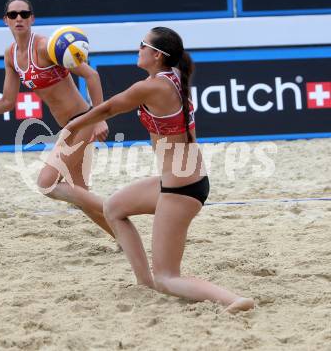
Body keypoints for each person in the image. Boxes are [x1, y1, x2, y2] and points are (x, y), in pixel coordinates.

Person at [61, 26, 254, 313]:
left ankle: (233, 300)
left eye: (143, 45)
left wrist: (71, 126)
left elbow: (108, 109)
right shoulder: (171, 77)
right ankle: (145, 284)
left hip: (181, 189)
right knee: (113, 208)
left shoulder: (152, 86)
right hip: (176, 180)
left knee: (168, 277)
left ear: (157, 55)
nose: (138, 49)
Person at [0, 0, 114, 238]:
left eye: (25, 14)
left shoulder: (44, 47)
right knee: (81, 195)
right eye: (14, 14)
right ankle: (124, 238)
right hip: (71, 125)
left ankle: (119, 209)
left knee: (46, 183)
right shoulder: (10, 55)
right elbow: (8, 102)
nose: (19, 18)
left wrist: (99, 118)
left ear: (32, 19)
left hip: (82, 121)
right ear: (5, 20)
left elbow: (91, 76)